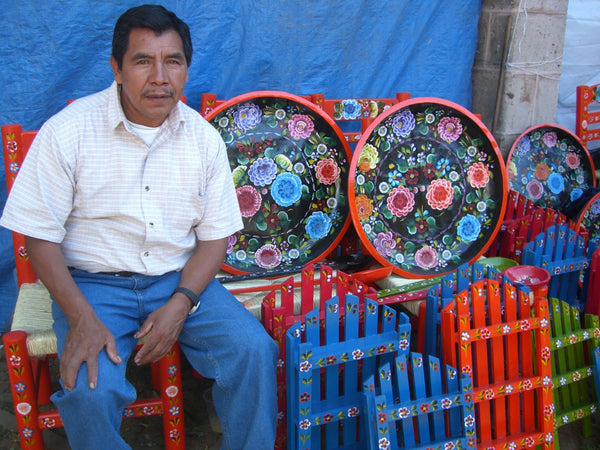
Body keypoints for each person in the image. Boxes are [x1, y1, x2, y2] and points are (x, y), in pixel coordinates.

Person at [0, 4, 278, 449]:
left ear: (187, 69)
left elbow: (215, 238)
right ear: (116, 68)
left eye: (173, 61)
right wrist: (81, 317)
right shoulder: (67, 132)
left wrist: (182, 301)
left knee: (252, 351)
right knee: (91, 392)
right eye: (143, 61)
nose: (160, 77)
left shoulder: (203, 139)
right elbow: (39, 237)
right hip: (93, 285)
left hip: (179, 278)